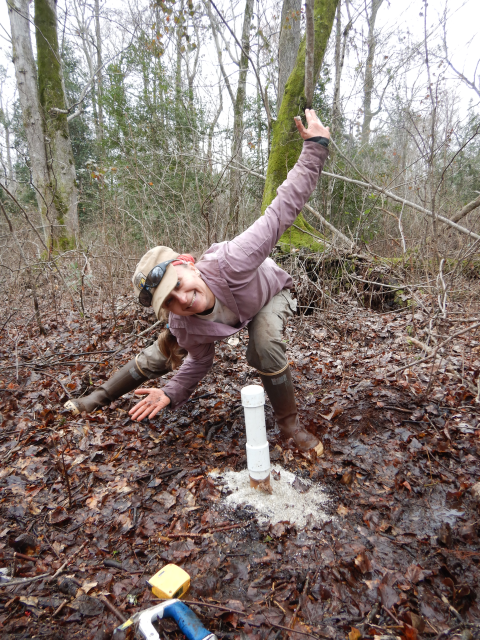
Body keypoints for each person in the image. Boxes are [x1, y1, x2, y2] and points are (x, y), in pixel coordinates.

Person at [65, 109, 330, 453]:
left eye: (178, 284)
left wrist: (315, 149)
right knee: (162, 353)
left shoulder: (233, 261)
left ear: (188, 264)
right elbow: (200, 361)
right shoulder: (182, 319)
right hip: (209, 325)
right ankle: (96, 398)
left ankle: (289, 423)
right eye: (170, 300)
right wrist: (171, 391)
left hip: (268, 295)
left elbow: (281, 211)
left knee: (263, 342)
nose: (183, 299)